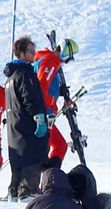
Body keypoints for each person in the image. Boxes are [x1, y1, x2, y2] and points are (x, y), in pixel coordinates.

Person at [4, 36, 49, 201]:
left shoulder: (10, 77)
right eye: (30, 51)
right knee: (33, 154)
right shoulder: (25, 73)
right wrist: (39, 117)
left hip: (15, 130)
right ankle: (27, 191)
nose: (33, 54)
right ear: (21, 53)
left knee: (19, 160)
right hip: (27, 129)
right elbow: (30, 97)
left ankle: (14, 191)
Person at [33, 38, 79, 168]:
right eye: (67, 57)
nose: (66, 61)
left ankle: (51, 180)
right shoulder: (50, 61)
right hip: (44, 114)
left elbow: (47, 86)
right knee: (44, 151)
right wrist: (45, 113)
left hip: (46, 112)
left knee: (60, 146)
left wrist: (60, 91)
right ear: (62, 50)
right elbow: (41, 86)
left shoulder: (51, 62)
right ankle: (43, 185)